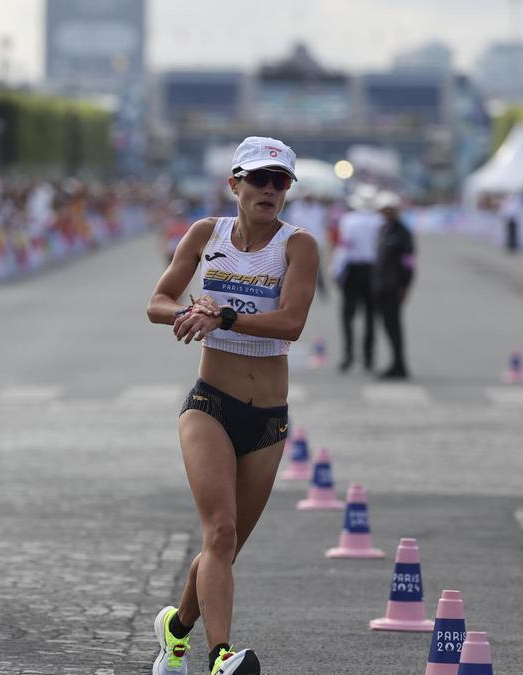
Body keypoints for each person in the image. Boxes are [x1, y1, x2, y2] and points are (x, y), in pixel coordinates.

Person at [145, 136, 319, 675]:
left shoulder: (299, 246)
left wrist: (224, 318)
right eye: (259, 179)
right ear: (234, 184)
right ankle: (222, 657)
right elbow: (157, 302)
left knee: (228, 546)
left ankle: (175, 630)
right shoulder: (205, 234)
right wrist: (189, 309)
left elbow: (292, 322)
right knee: (218, 531)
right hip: (210, 406)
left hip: (267, 418)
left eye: (280, 181)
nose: (269, 190)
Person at [334, 186, 383, 373]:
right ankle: (369, 357)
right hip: (372, 270)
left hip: (353, 270)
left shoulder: (348, 220)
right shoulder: (379, 221)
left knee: (348, 316)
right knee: (371, 316)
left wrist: (336, 271)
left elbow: (344, 248)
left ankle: (348, 356)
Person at [371, 191, 416, 380]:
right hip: (381, 284)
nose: (387, 213)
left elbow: (409, 262)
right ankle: (395, 363)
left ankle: (400, 365)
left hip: (394, 285)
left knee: (394, 327)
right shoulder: (383, 230)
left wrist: (405, 286)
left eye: (390, 210)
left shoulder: (403, 233)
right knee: (387, 326)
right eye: (384, 210)